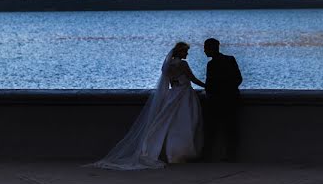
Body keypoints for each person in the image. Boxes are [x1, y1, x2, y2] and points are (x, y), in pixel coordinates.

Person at [93, 41, 205, 170]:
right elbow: (193, 79)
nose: (187, 53)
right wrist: (207, 86)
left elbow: (169, 83)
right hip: (184, 94)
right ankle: (181, 152)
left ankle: (169, 152)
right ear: (180, 52)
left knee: (168, 123)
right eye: (185, 51)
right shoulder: (183, 64)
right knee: (184, 122)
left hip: (173, 94)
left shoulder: (168, 65)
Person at [202, 37, 242, 162]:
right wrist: (230, 90)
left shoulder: (211, 64)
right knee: (231, 128)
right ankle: (231, 156)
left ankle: (207, 156)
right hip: (232, 99)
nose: (204, 51)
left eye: (205, 49)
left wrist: (214, 93)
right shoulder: (230, 59)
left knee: (211, 129)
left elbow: (209, 85)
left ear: (210, 49)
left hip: (216, 101)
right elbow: (239, 78)